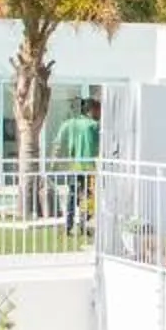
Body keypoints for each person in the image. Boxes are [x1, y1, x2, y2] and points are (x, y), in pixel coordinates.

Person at [51, 96, 103, 235]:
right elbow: (99, 148)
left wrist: (53, 165)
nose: (100, 114)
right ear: (91, 110)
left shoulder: (68, 124)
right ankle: (84, 225)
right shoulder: (94, 125)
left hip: (73, 166)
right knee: (87, 197)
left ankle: (68, 226)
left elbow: (57, 145)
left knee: (72, 196)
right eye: (98, 110)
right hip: (89, 167)